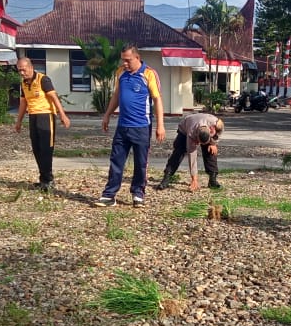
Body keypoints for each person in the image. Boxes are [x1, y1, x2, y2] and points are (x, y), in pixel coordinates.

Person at [95, 46, 165, 208]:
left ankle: (138, 194)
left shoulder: (148, 73)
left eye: (128, 60)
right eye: (123, 60)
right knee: (116, 161)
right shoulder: (121, 73)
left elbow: (157, 99)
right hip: (122, 126)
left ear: (137, 57)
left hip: (141, 127)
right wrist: (107, 115)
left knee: (141, 163)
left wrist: (160, 125)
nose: (125, 63)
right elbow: (116, 96)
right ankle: (109, 195)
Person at [15, 57, 71, 192]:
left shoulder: (43, 80)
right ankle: (43, 179)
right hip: (33, 116)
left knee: (46, 149)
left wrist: (62, 114)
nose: (22, 73)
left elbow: (54, 97)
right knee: (37, 149)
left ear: (31, 67)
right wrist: (19, 121)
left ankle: (49, 180)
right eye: (19, 71)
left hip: (46, 116)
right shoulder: (24, 84)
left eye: (24, 70)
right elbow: (23, 103)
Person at [156, 113, 224, 191]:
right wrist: (194, 179)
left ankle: (213, 179)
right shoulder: (191, 133)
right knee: (179, 152)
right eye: (199, 142)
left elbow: (221, 130)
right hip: (185, 128)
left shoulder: (215, 125)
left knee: (211, 150)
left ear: (211, 130)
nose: (199, 145)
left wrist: (213, 143)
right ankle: (166, 177)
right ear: (196, 137)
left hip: (205, 123)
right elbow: (192, 156)